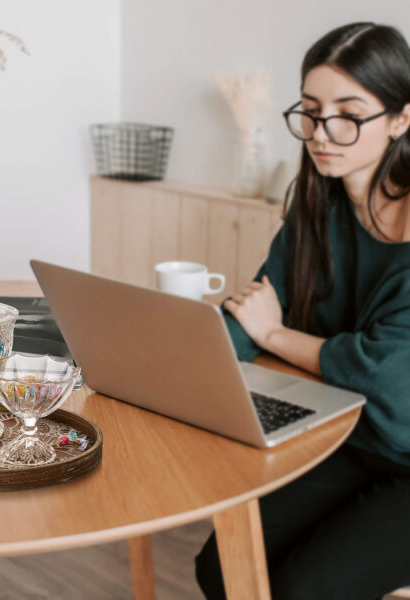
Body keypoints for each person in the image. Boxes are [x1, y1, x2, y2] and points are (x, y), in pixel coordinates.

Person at [195, 22, 410, 600]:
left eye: (348, 112)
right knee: (222, 569)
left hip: (402, 445)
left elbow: (389, 381)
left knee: (297, 591)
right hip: (351, 435)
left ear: (401, 118)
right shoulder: (318, 205)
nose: (322, 132)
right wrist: (191, 360)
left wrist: (275, 333)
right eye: (311, 111)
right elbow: (253, 312)